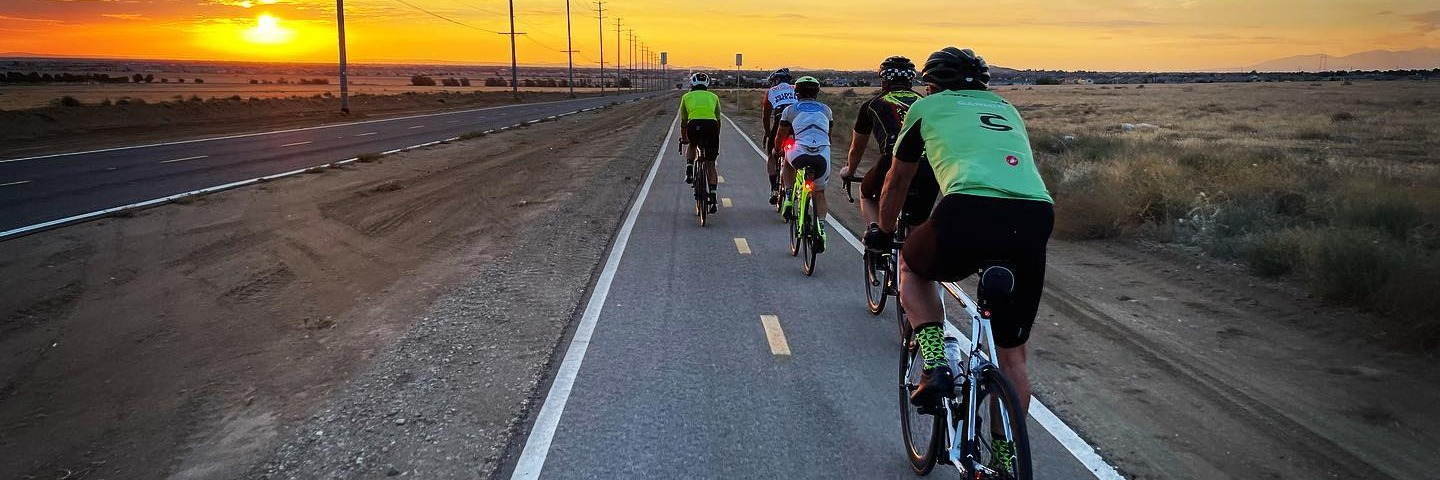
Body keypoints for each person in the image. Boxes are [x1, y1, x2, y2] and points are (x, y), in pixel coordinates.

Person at [864, 47, 1053, 462]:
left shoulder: (927, 107)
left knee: (912, 265)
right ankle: (1006, 457)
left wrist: (883, 230)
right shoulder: (1007, 108)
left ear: (930, 84)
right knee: (1012, 356)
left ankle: (934, 360)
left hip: (968, 208)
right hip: (1036, 213)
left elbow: (897, 180)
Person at [838, 55, 940, 232]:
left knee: (867, 194)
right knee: (918, 224)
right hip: (928, 166)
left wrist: (850, 171)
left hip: (891, 164)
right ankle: (911, 256)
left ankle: (875, 233)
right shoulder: (927, 103)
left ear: (883, 80)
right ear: (911, 80)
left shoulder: (872, 104)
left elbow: (856, 149)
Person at [771, 76, 834, 252]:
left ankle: (789, 196)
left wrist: (777, 150)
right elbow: (829, 135)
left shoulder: (791, 109)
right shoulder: (826, 110)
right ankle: (820, 227)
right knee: (819, 192)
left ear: (796, 92)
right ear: (816, 92)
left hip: (800, 152)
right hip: (822, 153)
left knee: (788, 163)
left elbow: (780, 135)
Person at [680, 72, 722, 213]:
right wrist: (716, 136)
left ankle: (690, 168)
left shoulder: (686, 97)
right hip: (711, 126)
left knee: (692, 144)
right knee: (710, 163)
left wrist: (685, 138)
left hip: (694, 125)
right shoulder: (714, 97)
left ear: (692, 84)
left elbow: (684, 122)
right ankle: (714, 196)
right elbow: (718, 120)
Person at [761, 68, 798, 204]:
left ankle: (774, 189)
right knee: (798, 150)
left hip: (780, 121)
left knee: (772, 154)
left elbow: (765, 116)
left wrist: (767, 132)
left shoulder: (771, 91)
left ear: (776, 80)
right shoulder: (796, 88)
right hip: (798, 122)